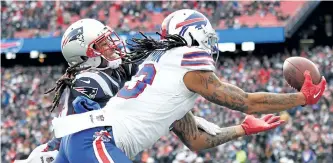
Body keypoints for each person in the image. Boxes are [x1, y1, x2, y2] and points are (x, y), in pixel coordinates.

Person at [52, 9, 318, 161]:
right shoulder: (184, 59)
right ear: (194, 35)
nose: (212, 45)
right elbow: (248, 101)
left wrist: (242, 129)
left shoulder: (165, 78)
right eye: (208, 37)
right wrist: (301, 98)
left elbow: (196, 140)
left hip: (82, 142)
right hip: (95, 139)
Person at [16, 18, 227, 163]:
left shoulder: (117, 70)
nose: (111, 44)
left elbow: (154, 89)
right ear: (86, 55)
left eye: (108, 38)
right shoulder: (89, 81)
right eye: (102, 43)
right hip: (69, 151)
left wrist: (188, 115)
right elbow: (78, 136)